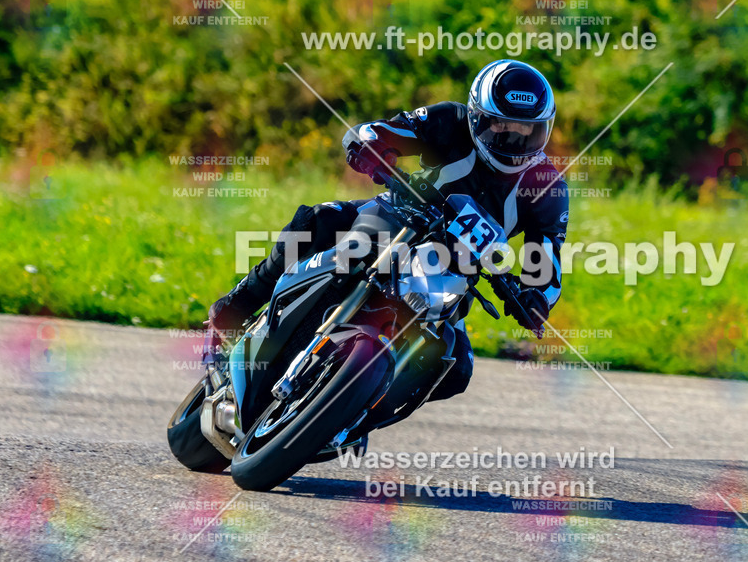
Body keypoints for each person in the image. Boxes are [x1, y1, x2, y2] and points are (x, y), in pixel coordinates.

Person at [208, 59, 569, 400]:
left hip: (454, 277)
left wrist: (535, 300)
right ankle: (238, 306)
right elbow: (383, 130)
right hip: (398, 218)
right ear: (476, 117)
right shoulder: (449, 120)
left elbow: (548, 260)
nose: (514, 144)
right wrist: (369, 145)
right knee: (316, 221)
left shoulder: (547, 188)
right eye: (501, 128)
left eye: (527, 133)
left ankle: (358, 409)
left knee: (455, 370)